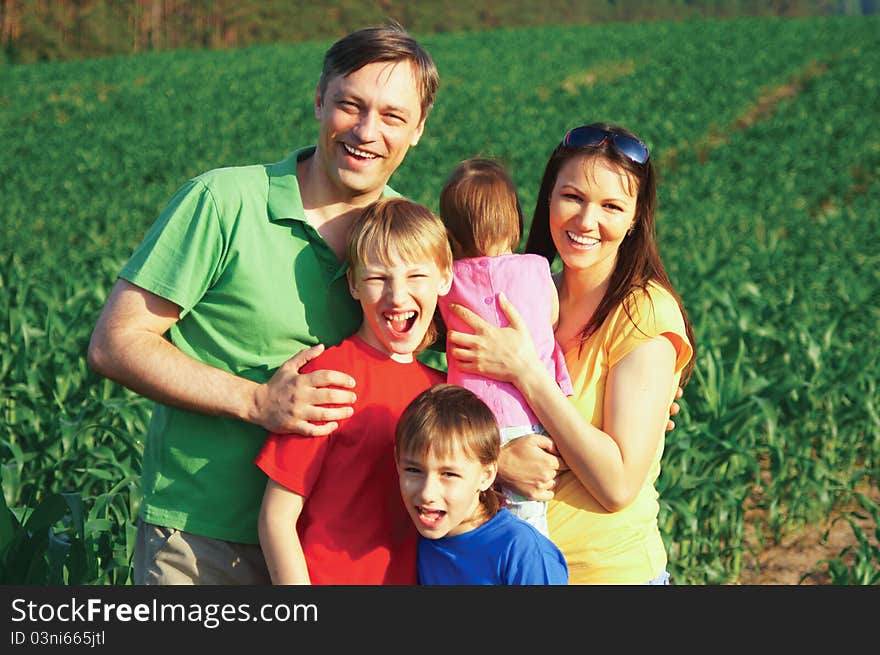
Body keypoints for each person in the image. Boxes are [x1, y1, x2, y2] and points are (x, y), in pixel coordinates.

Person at [86, 23, 439, 584]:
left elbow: (464, 371)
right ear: (319, 99)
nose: (367, 131)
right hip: (204, 543)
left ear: (418, 129)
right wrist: (255, 401)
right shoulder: (224, 201)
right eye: (351, 105)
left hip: (343, 557)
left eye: (393, 116)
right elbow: (116, 342)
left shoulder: (411, 241)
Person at [445, 123, 695, 584]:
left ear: (636, 218)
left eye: (612, 206)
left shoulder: (643, 312)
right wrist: (496, 460)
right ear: (548, 198)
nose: (585, 220)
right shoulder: (531, 295)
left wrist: (526, 371)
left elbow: (617, 484)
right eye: (573, 197)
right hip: (511, 570)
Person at [256, 197, 453, 584]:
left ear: (445, 277)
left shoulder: (441, 393)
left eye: (416, 276)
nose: (397, 296)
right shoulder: (328, 379)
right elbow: (276, 517)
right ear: (354, 284)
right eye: (378, 278)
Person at [435, 157, 572, 536]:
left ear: (452, 233)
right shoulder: (536, 269)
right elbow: (553, 316)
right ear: (515, 218)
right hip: (526, 414)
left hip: (473, 421)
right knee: (528, 519)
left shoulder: (447, 281)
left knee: (476, 516)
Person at [395, 383, 568, 585]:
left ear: (486, 476)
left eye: (449, 474)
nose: (427, 493)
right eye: (413, 470)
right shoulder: (418, 542)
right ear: (397, 462)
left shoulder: (521, 551)